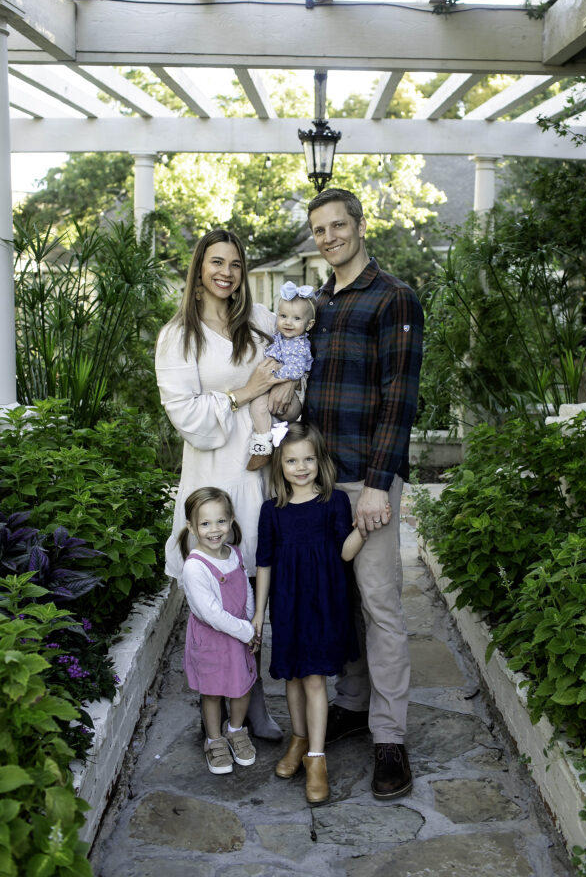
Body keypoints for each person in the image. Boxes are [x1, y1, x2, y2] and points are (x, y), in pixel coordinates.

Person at [156, 228, 301, 741]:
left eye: (236, 264)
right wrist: (245, 392)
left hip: (259, 474)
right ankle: (216, 699)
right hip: (213, 476)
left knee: (253, 586)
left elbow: (293, 372)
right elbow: (186, 415)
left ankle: (252, 695)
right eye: (216, 262)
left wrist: (283, 389)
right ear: (198, 270)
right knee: (215, 589)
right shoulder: (179, 336)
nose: (227, 272)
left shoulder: (261, 321)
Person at [303, 188, 424, 801]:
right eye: (319, 230)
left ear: (359, 225)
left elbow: (399, 397)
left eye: (337, 226)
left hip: (365, 478)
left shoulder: (393, 297)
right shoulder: (318, 302)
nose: (329, 237)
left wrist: (379, 485)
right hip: (319, 480)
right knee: (340, 601)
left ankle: (389, 739)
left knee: (380, 607)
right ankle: (352, 703)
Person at [251, 422, 364, 805]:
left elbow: (345, 553)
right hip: (286, 603)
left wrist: (364, 529)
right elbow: (264, 563)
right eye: (292, 460)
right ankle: (298, 739)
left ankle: (317, 758)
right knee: (293, 678)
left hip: (323, 602)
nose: (301, 468)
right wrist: (258, 615)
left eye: (308, 459)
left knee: (314, 679)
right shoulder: (273, 511)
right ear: (279, 465)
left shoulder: (334, 502)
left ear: (320, 460)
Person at [178, 487, 259, 775]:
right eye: (205, 523)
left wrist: (251, 621)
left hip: (239, 635)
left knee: (242, 686)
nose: (215, 530)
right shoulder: (195, 568)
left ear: (232, 520)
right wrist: (247, 631)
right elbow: (211, 614)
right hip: (213, 640)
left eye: (221, 521)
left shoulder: (234, 553)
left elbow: (247, 590)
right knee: (212, 693)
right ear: (191, 527)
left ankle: (236, 730)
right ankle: (214, 739)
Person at [247, 281, 316, 470]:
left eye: (296, 318)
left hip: (295, 398)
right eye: (283, 316)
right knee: (258, 404)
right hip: (281, 390)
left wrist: (270, 374)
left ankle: (264, 445)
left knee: (258, 403)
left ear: (309, 325)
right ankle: (267, 443)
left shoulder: (298, 344)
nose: (288, 322)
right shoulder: (282, 337)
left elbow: (295, 370)